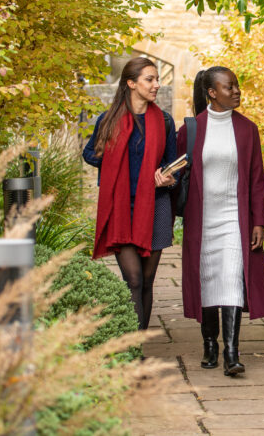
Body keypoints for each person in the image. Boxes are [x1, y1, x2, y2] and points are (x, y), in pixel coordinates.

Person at [178, 66, 264, 376]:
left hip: (235, 218)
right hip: (201, 220)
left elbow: (257, 179)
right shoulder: (191, 130)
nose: (236, 91)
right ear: (212, 93)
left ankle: (232, 352)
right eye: (228, 87)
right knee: (207, 279)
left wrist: (259, 221)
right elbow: (176, 172)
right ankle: (210, 344)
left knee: (232, 277)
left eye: (236, 86)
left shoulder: (248, 129)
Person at [82, 56, 179, 331]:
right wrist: (113, 161)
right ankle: (133, 349)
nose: (156, 85)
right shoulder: (109, 119)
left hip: (155, 207)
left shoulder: (164, 121)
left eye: (157, 79)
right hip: (121, 208)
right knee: (133, 280)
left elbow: (174, 166)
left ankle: (139, 342)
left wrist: (168, 178)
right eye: (150, 79)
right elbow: (89, 154)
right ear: (131, 83)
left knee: (147, 282)